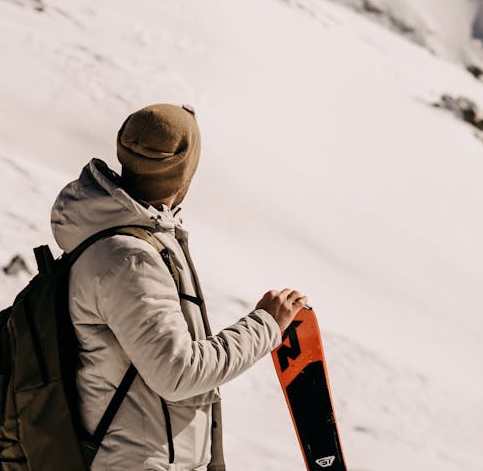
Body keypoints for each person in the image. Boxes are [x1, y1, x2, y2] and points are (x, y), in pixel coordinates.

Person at [51, 103, 307, 470]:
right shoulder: (128, 259)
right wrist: (265, 324)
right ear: (183, 173)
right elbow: (178, 373)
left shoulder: (129, 241)